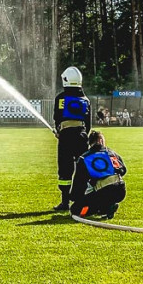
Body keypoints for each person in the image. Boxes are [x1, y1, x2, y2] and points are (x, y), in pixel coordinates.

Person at [53, 66, 92, 212]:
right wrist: (83, 136)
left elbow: (57, 117)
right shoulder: (85, 99)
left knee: (65, 169)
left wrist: (60, 131)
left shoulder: (60, 98)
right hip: (81, 136)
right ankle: (81, 199)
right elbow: (88, 123)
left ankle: (64, 202)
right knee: (82, 168)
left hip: (65, 138)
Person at [69, 131, 127, 219]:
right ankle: (107, 206)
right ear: (100, 140)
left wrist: (75, 197)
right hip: (120, 190)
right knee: (99, 199)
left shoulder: (84, 158)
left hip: (103, 191)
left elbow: (79, 182)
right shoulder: (111, 153)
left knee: (76, 210)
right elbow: (123, 170)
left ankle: (103, 207)